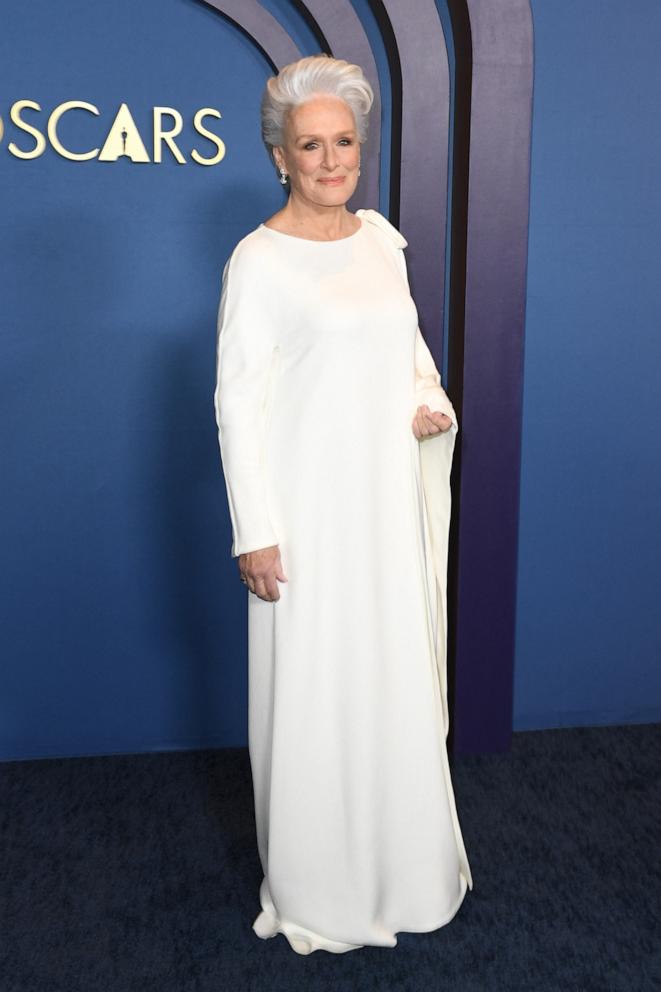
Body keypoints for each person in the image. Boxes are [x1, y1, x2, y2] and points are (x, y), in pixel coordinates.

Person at [213, 53, 473, 955]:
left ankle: (406, 875)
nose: (331, 161)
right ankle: (320, 885)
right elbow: (237, 402)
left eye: (345, 142)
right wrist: (257, 531)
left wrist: (427, 403)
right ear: (280, 156)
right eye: (309, 145)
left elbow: (407, 355)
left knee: (388, 679)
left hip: (381, 506)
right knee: (315, 691)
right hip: (308, 517)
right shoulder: (257, 260)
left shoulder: (380, 240)